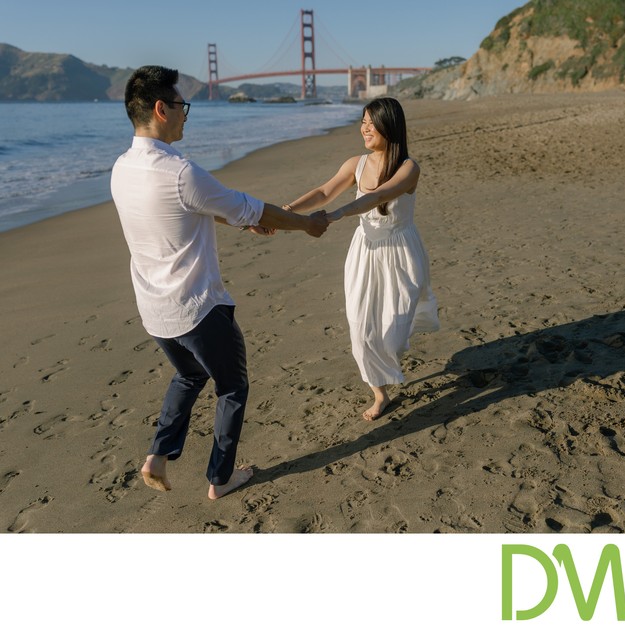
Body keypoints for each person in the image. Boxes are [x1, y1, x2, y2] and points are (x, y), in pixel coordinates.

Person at [110, 66, 328, 500]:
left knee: (189, 375)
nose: (186, 114)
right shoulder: (179, 172)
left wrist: (240, 221)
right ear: (160, 109)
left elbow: (183, 212)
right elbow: (251, 209)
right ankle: (220, 478)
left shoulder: (122, 168)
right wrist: (306, 224)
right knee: (232, 387)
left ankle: (158, 455)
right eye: (181, 105)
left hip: (155, 312)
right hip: (198, 308)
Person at [283, 97, 439, 421]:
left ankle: (388, 361)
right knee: (360, 328)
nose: (364, 128)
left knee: (391, 332)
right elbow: (325, 191)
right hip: (364, 252)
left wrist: (340, 213)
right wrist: (286, 211)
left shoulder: (408, 167)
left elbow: (380, 195)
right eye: (363, 122)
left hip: (399, 253)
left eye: (370, 123)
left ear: (389, 125)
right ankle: (380, 394)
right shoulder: (356, 164)